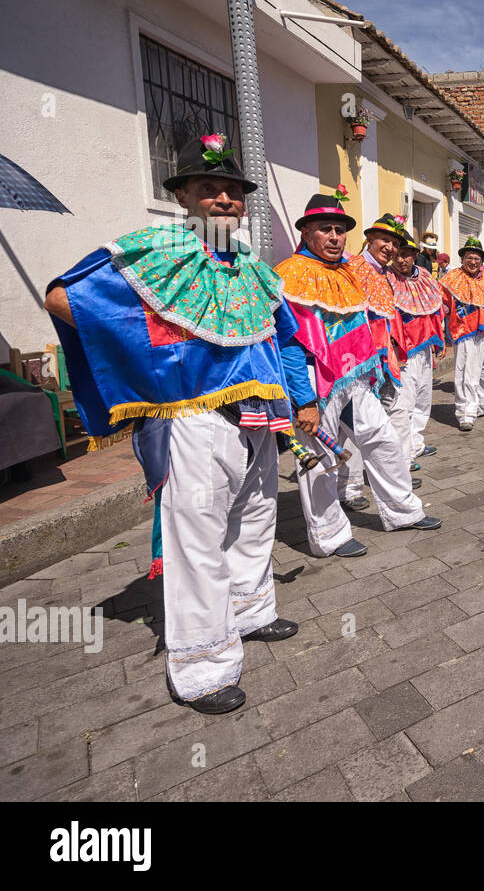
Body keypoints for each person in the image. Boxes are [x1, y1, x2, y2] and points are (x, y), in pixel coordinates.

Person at [44, 134, 299, 714]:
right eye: (209, 189)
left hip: (257, 419)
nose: (225, 200)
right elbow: (64, 298)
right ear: (182, 194)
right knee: (196, 540)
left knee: (256, 517)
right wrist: (153, 358)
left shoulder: (253, 270)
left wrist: (300, 402)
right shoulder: (152, 252)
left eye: (234, 191)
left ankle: (252, 613)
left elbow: (283, 340)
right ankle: (202, 666)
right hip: (192, 419)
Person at [276, 193, 439, 559]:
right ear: (305, 231)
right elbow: (287, 343)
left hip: (355, 380)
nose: (335, 237)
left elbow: (362, 326)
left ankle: (403, 511)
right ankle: (329, 534)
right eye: (325, 229)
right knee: (320, 461)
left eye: (339, 230)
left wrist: (374, 371)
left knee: (383, 441)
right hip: (315, 384)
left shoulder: (349, 272)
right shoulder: (288, 274)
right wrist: (303, 400)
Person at [337, 214, 407, 508]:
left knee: (375, 422)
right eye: (384, 240)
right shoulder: (352, 267)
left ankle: (390, 482)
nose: (389, 247)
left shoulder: (382, 274)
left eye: (394, 243)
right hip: (351, 361)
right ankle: (349, 488)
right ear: (370, 239)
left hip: (379, 359)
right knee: (351, 427)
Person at [384, 237, 445, 464]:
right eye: (399, 254)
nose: (403, 260)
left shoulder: (425, 276)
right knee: (404, 403)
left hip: (425, 346)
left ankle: (416, 443)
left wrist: (440, 339)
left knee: (423, 399)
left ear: (414, 255)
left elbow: (435, 309)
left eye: (407, 254)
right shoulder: (387, 278)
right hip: (403, 350)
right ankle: (404, 455)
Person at [439, 237, 484, 431]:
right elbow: (441, 307)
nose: (473, 262)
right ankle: (465, 413)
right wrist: (439, 332)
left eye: (477, 258)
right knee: (466, 374)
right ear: (462, 259)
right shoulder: (452, 278)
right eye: (469, 257)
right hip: (465, 332)